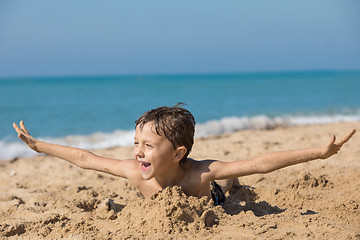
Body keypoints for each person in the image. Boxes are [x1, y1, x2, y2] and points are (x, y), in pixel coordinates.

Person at [13, 105, 356, 206]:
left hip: (212, 198)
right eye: (136, 143)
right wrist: (39, 145)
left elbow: (260, 163)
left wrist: (319, 153)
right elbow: (86, 158)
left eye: (147, 146)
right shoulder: (135, 171)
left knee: (232, 178)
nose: (138, 152)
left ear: (178, 154)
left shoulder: (199, 174)